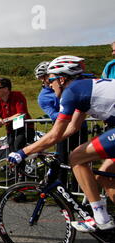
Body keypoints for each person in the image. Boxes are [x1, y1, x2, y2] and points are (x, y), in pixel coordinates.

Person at [8, 55, 115, 232]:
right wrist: (39, 148)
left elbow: (55, 134)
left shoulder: (71, 92)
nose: (49, 84)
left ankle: (100, 218)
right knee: (105, 175)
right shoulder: (84, 87)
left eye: (51, 80)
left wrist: (23, 152)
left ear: (62, 79)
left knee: (77, 157)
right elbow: (72, 128)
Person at [34, 61, 88, 186]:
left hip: (80, 126)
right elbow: (53, 114)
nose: (46, 80)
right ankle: (62, 188)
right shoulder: (43, 96)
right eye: (44, 78)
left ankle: (78, 188)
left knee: (80, 158)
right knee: (62, 160)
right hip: (61, 129)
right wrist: (69, 113)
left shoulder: (69, 87)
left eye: (49, 76)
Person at [0, 77, 35, 171]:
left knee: (18, 147)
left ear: (6, 89)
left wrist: (4, 120)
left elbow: (21, 114)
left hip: (25, 128)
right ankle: (17, 173)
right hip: (11, 130)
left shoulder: (17, 96)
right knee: (12, 151)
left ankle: (21, 175)